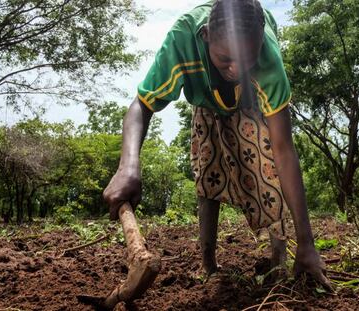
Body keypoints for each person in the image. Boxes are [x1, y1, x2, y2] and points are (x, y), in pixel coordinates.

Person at [104, 0, 331, 289]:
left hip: (252, 105)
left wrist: (307, 243)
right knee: (208, 169)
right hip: (206, 104)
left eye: (247, 58)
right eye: (225, 58)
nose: (236, 68)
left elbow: (284, 150)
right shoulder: (183, 38)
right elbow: (143, 104)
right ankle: (209, 265)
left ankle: (280, 263)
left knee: (268, 168)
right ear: (206, 36)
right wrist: (128, 166)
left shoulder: (267, 59)